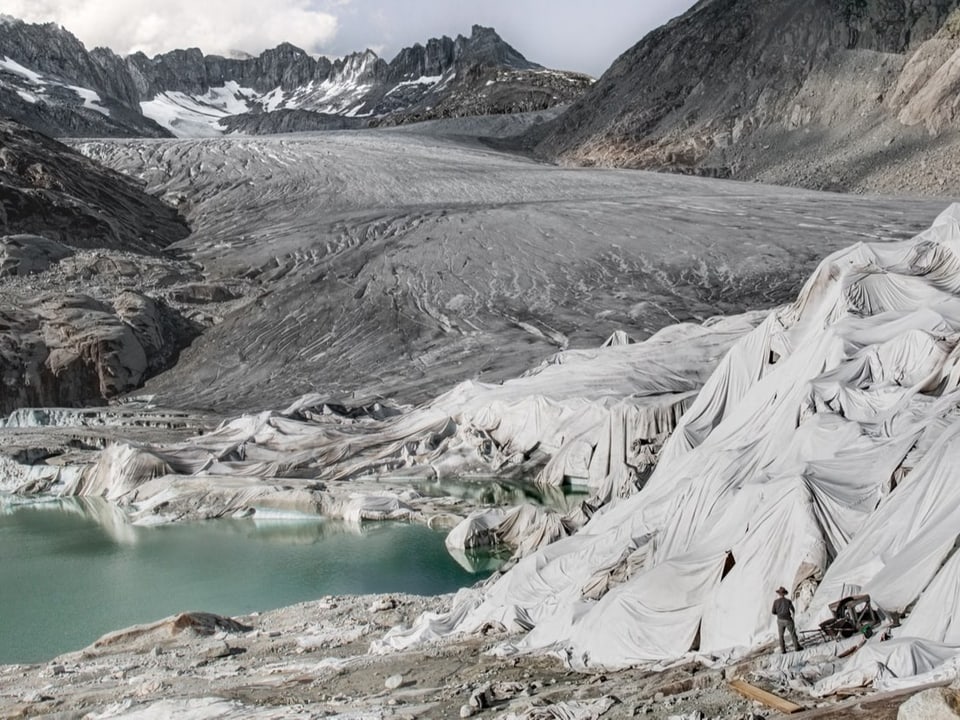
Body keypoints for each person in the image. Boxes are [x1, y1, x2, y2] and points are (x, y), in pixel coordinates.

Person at [772, 586, 802, 653]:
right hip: (788, 619)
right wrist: (792, 616)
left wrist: (779, 613)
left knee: (781, 636)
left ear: (779, 594)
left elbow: (773, 612)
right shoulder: (788, 601)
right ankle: (797, 647)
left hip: (780, 620)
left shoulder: (775, 602)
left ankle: (783, 650)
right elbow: (793, 610)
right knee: (792, 633)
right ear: (784, 594)